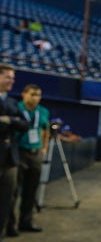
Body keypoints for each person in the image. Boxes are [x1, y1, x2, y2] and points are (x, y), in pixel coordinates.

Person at [7, 84, 49, 236]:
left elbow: (45, 130)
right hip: (19, 152)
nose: (35, 98)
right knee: (12, 191)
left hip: (35, 153)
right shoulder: (15, 108)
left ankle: (26, 222)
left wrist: (44, 148)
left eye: (38, 95)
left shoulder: (43, 111)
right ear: (24, 94)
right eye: (32, 94)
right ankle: (10, 225)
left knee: (31, 191)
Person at [0, 64, 29, 240]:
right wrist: (13, 121)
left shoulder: (12, 102)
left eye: (13, 77)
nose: (12, 80)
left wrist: (9, 119)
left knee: (6, 200)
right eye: (8, 77)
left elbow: (24, 124)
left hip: (10, 158)